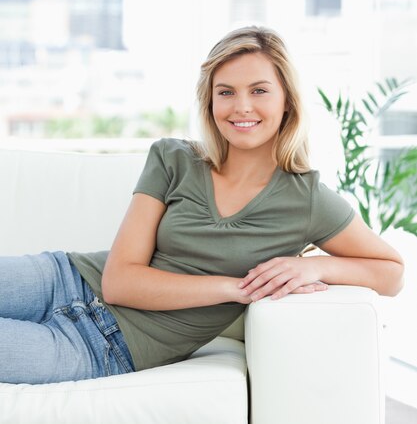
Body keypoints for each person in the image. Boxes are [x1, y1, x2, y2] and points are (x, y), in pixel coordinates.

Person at [0, 25, 404, 385]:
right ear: (210, 102)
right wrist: (237, 289)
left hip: (102, 348)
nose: (241, 107)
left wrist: (313, 265)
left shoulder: (308, 199)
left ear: (286, 101)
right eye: (225, 92)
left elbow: (392, 272)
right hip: (64, 277)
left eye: (259, 91)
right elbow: (120, 283)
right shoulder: (173, 159)